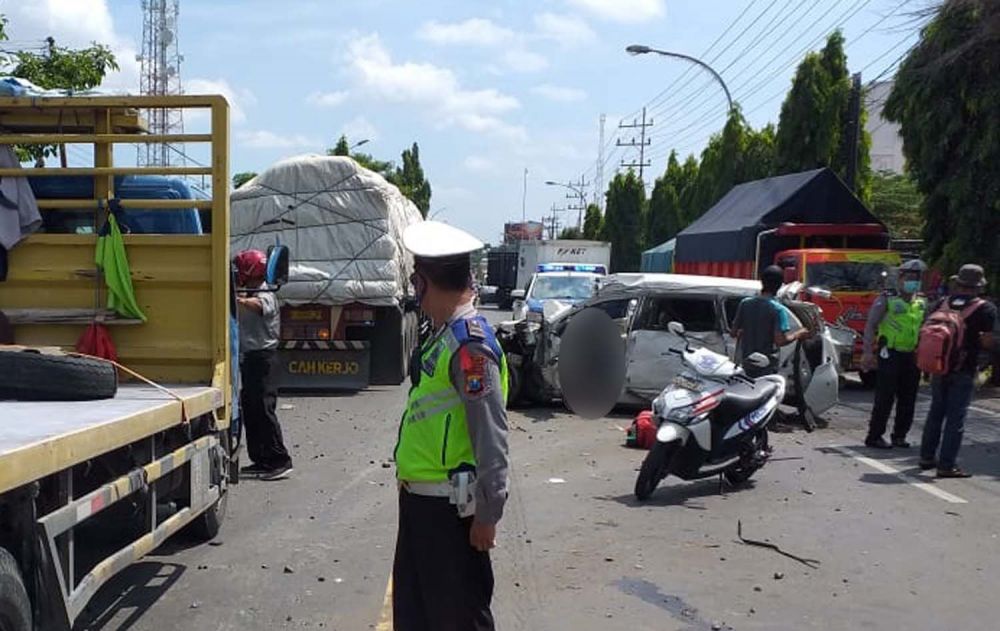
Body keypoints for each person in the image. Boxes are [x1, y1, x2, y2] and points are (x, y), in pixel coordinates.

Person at [393, 221, 510, 631]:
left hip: (450, 513)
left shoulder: (470, 345)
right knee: (416, 616)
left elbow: (491, 434)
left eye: (414, 281)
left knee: (458, 618)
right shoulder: (444, 337)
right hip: (422, 505)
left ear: (423, 282)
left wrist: (488, 512)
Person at [919, 264, 997, 478]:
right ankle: (946, 465)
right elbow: (987, 341)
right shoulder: (985, 308)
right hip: (964, 369)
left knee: (935, 413)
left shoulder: (940, 304)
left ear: (959, 283)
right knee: (956, 419)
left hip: (938, 366)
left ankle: (926, 457)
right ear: (978, 286)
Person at [234, 249, 294, 481]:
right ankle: (261, 459)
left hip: (263, 359)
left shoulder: (265, 292)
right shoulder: (248, 290)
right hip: (249, 359)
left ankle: (280, 460)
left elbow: (260, 306)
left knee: (264, 409)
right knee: (250, 409)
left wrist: (238, 300)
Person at [861, 259, 928, 449]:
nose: (913, 280)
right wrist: (867, 352)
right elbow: (871, 325)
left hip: (912, 356)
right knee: (885, 397)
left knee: (908, 398)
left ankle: (900, 436)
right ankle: (874, 436)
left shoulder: (922, 301)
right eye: (909, 277)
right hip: (889, 353)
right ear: (900, 278)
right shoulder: (887, 298)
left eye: (916, 277)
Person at [731, 265, 812, 379]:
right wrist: (799, 334)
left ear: (762, 281)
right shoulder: (778, 309)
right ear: (779, 285)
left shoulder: (745, 303)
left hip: (746, 364)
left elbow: (733, 333)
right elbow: (780, 340)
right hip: (766, 367)